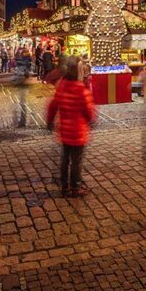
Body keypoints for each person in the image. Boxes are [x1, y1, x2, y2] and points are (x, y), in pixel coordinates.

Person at [45, 57, 96, 197]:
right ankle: (75, 187)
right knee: (76, 162)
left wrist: (49, 121)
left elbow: (53, 105)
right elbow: (88, 109)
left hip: (64, 131)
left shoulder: (61, 85)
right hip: (78, 132)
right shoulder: (81, 89)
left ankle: (64, 186)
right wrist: (91, 120)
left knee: (65, 159)